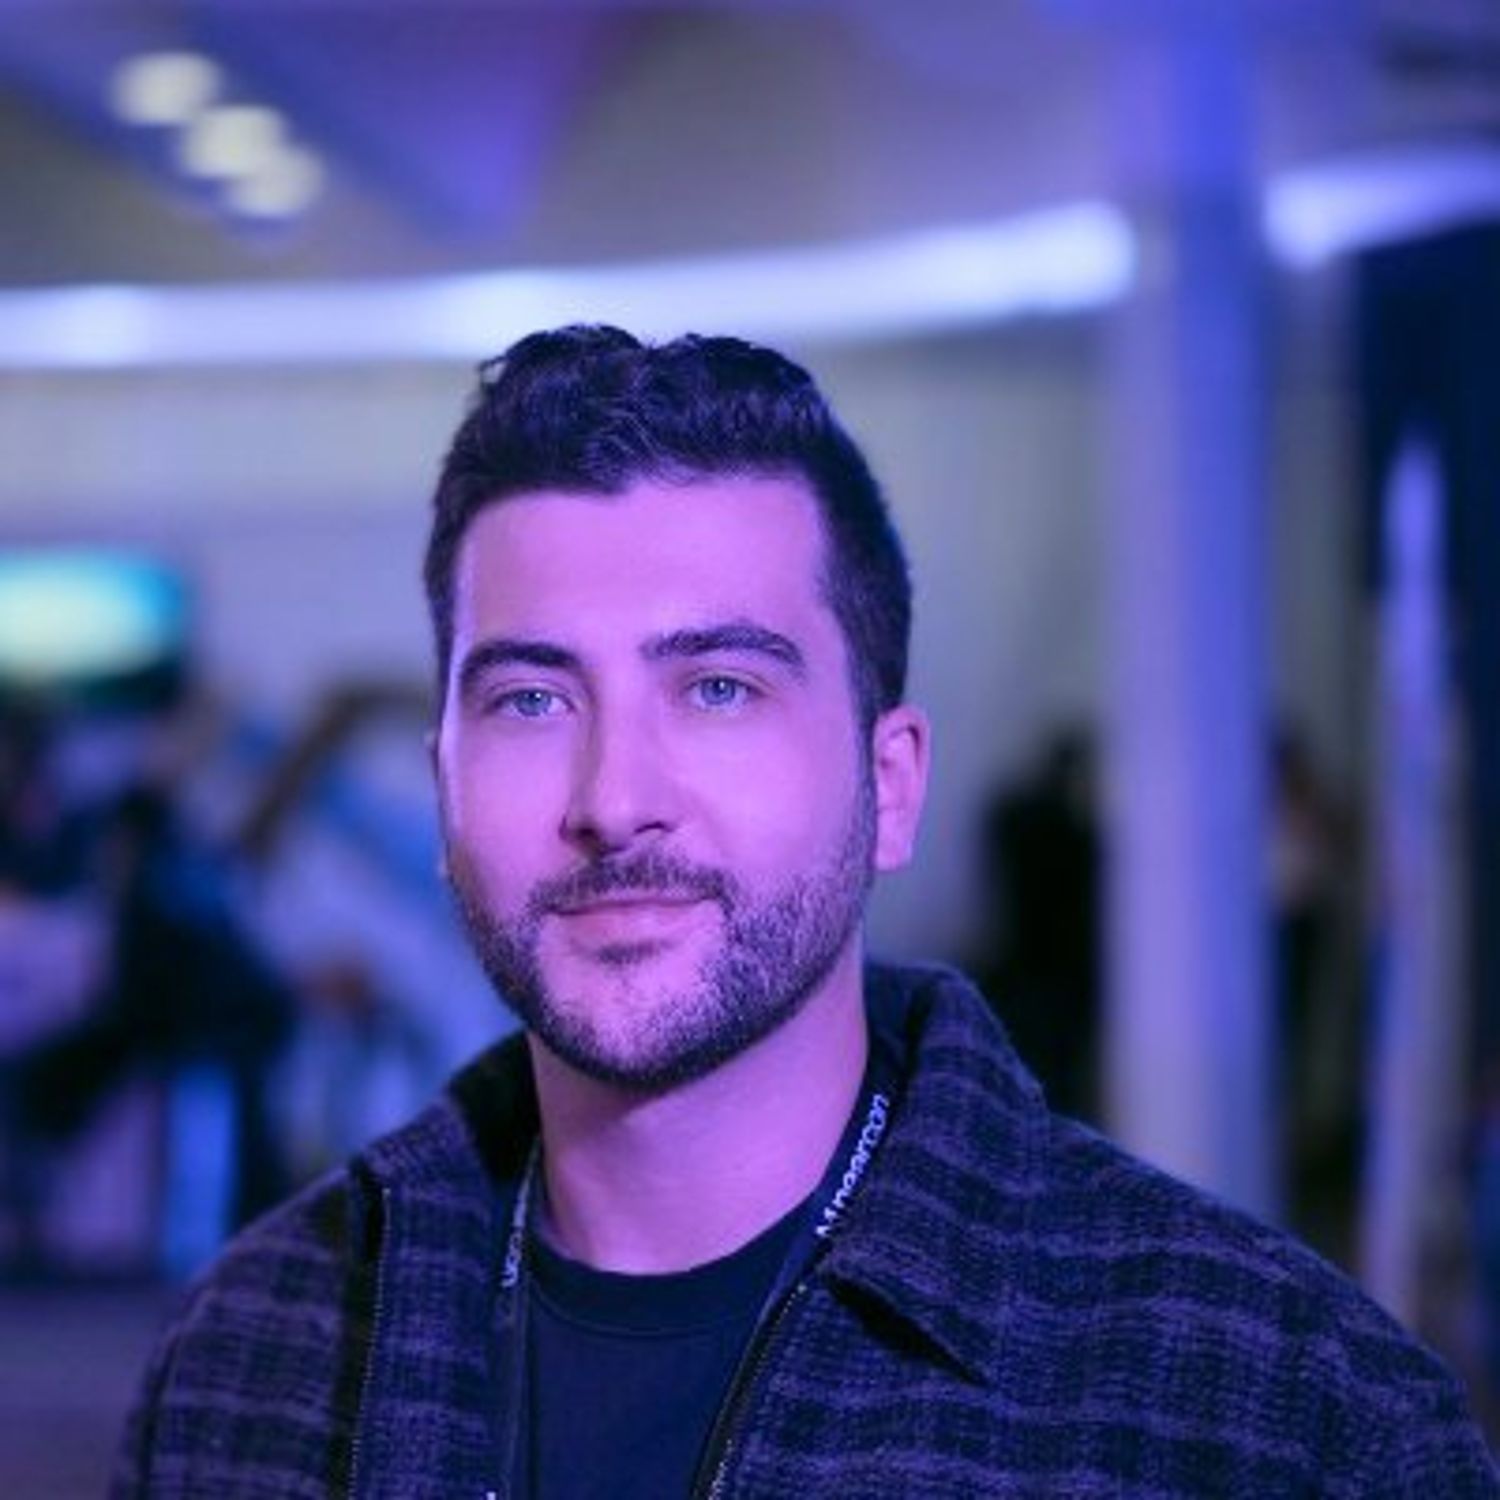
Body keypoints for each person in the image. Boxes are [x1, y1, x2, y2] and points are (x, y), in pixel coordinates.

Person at [114, 327, 1497, 1497]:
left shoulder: (1280, 1416)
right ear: (445, 791)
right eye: (531, 700)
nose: (614, 800)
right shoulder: (257, 1356)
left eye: (718, 688)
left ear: (889, 787)